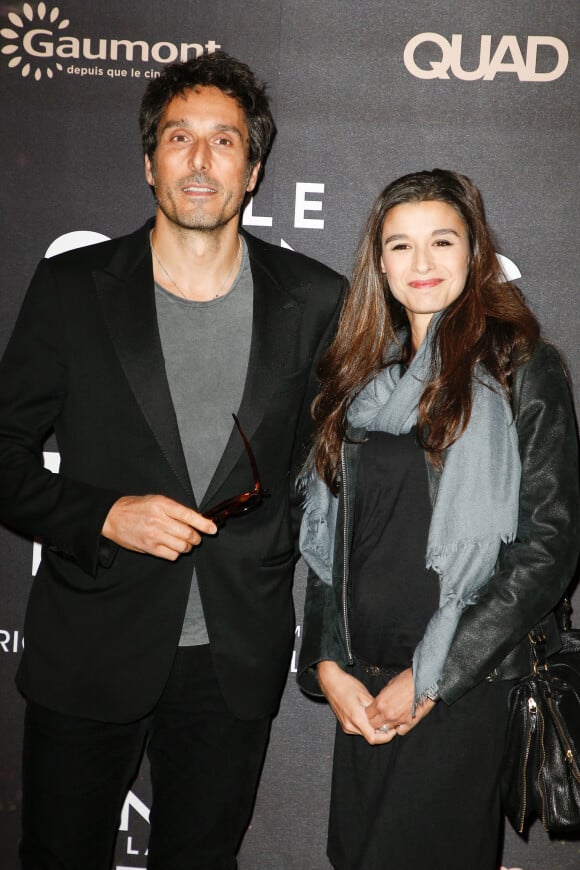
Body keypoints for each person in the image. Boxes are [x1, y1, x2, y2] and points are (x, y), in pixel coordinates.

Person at [0, 52, 345, 869]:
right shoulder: (72, 287)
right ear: (147, 161)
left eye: (223, 141)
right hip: (89, 646)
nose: (199, 160)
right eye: (178, 138)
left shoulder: (317, 301)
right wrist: (104, 514)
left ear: (254, 168)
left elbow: (339, 480)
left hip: (232, 660)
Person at [298, 169, 579, 869]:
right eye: (400, 246)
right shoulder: (359, 374)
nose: (420, 264)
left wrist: (434, 677)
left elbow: (548, 547)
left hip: (464, 683)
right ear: (379, 261)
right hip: (364, 680)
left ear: (474, 253)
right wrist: (327, 662)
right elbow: (333, 542)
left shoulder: (522, 370)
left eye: (441, 242)